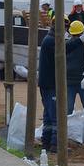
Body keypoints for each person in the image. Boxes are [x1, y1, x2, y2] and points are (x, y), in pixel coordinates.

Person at [37, 17, 63, 151]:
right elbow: (63, 50)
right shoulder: (51, 41)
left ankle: (46, 141)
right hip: (50, 84)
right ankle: (55, 143)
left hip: (46, 83)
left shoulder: (50, 39)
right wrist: (79, 41)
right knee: (55, 114)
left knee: (48, 113)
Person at [64, 19, 84, 111]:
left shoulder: (68, 44)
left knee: (68, 109)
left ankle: (67, 125)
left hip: (71, 81)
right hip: (82, 81)